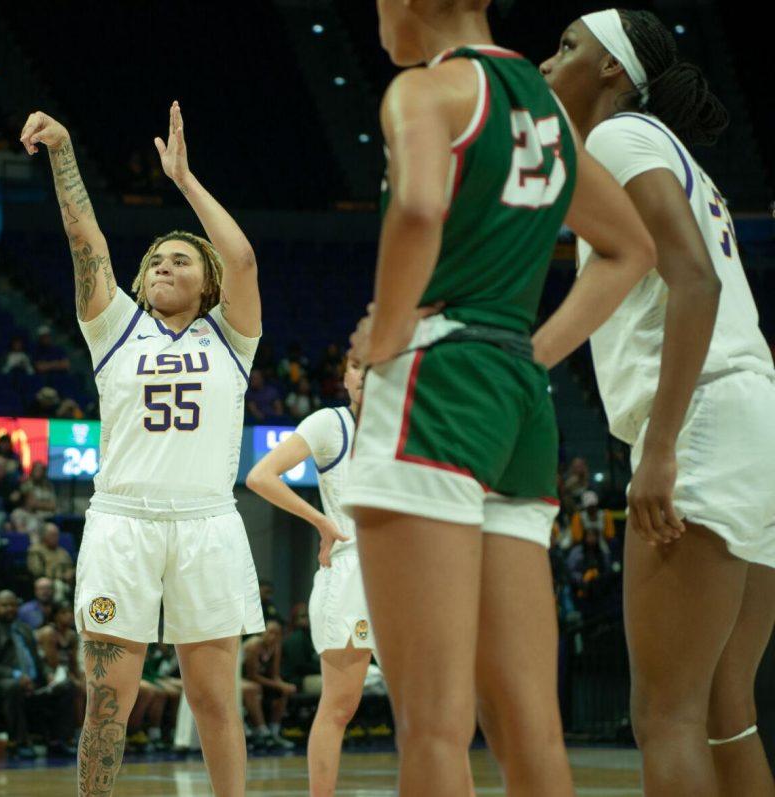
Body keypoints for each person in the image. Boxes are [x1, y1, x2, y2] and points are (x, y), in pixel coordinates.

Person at [340, 3, 656, 795]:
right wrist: (535, 349)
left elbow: (417, 208)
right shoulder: (544, 105)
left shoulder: (425, 91)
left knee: (432, 723)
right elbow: (630, 249)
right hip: (519, 396)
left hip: (437, 386)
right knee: (527, 720)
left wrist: (384, 338)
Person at [543, 10, 775, 795]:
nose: (549, 61)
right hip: (752, 413)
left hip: (702, 413)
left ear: (614, 69)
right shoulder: (662, 153)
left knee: (664, 715)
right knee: (722, 707)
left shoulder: (617, 138)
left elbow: (694, 280)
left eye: (569, 46)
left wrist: (665, 443)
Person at [21, 100, 264, 796]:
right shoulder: (115, 327)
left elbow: (243, 256)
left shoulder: (230, 337)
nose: (162, 264)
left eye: (180, 258)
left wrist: (183, 179)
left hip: (207, 523)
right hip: (123, 522)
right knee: (106, 701)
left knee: (216, 702)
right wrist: (64, 148)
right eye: (155, 258)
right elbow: (83, 236)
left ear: (205, 281)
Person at [246, 354, 371, 793]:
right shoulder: (329, 424)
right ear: (346, 376)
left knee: (430, 706)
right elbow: (261, 476)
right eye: (359, 366)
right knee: (340, 706)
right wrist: (321, 522)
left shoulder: (412, 426)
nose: (367, 375)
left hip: (403, 578)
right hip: (350, 574)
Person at [0, 590, 75, 757]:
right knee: (14, 687)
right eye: (5, 605)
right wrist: (16, 675)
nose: (10, 609)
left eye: (13, 605)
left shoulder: (23, 629)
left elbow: (38, 660)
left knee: (66, 687)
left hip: (32, 682)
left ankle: (59, 741)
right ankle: (20, 743)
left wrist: (48, 674)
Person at [241, 620, 297, 750]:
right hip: (240, 678)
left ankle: (274, 732)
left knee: (283, 691)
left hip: (258, 680)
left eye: (277, 634)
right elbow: (251, 675)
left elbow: (274, 675)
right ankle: (262, 731)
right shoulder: (254, 645)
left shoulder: (276, 647)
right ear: (263, 632)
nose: (273, 636)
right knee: (253, 688)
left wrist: (282, 685)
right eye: (270, 632)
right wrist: (278, 685)